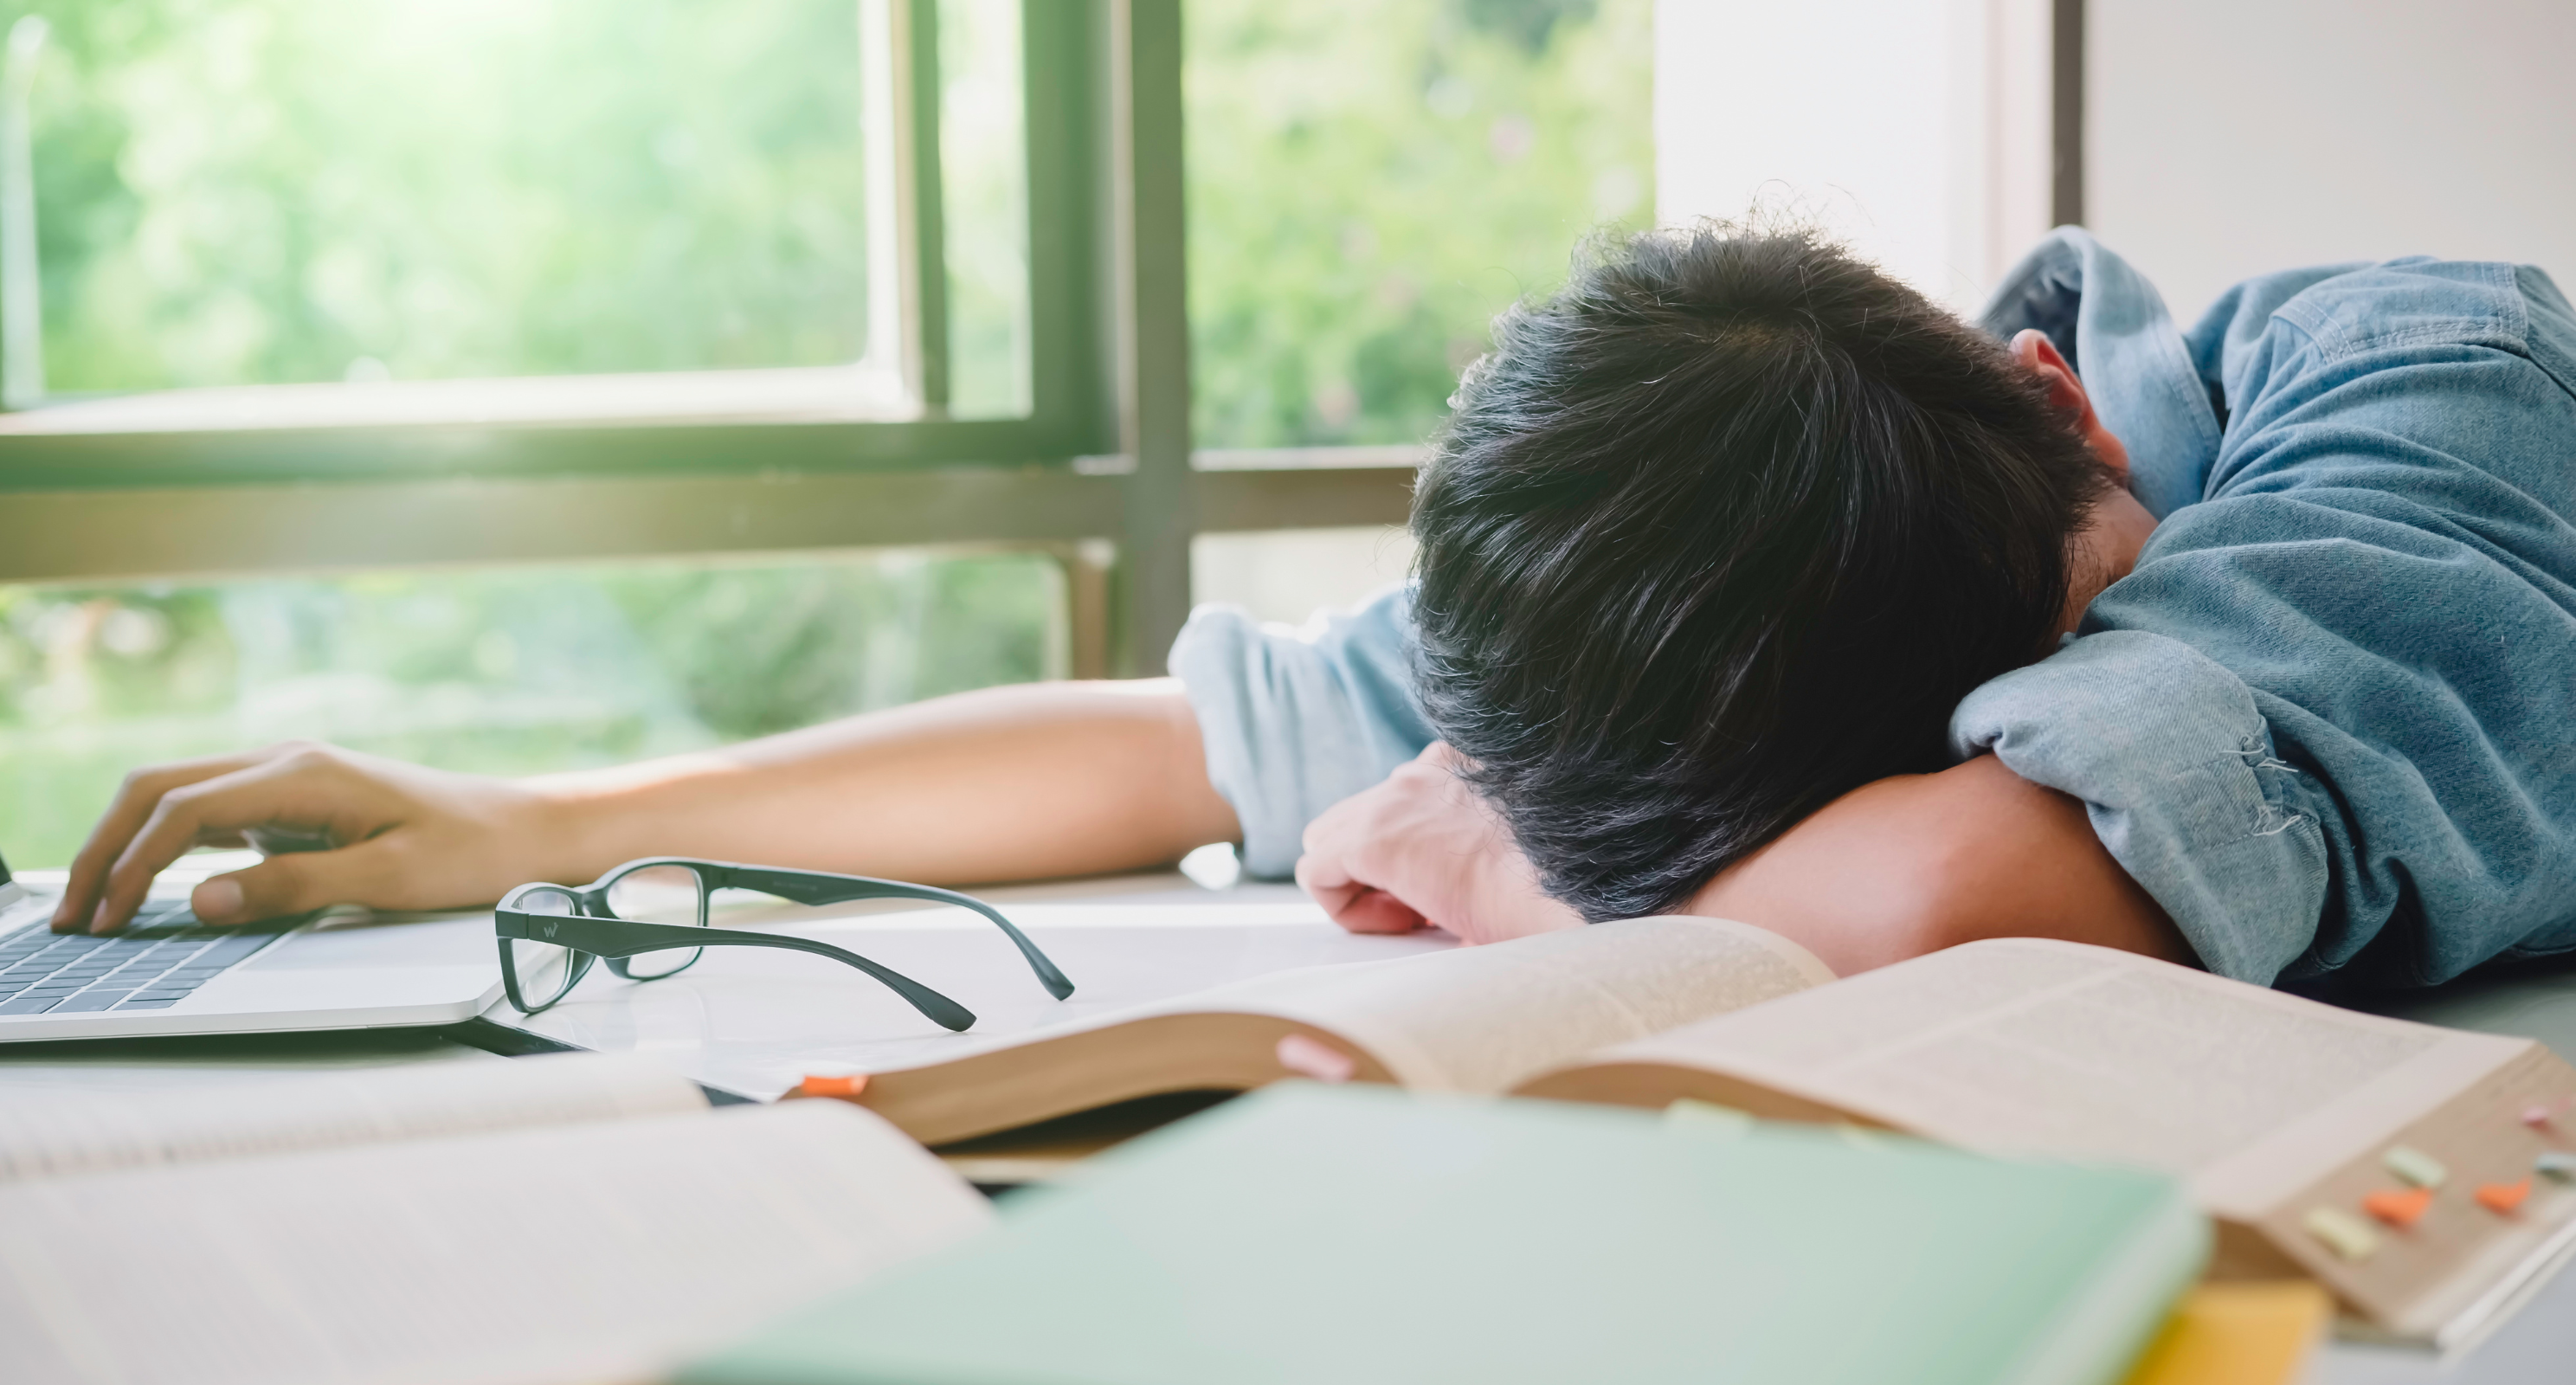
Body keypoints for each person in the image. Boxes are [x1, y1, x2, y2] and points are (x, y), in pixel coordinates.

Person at [51, 222, 2576, 995]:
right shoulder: (1776, 536)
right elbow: (1186, 747)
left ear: (2078, 419)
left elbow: (1985, 883)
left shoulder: (2437, 408)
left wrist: (1500, 868)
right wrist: (548, 812)